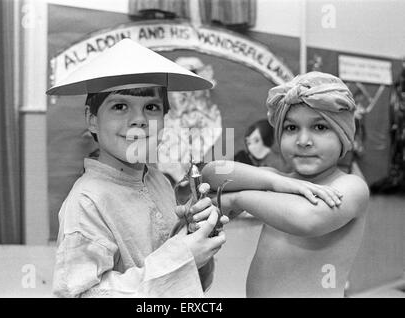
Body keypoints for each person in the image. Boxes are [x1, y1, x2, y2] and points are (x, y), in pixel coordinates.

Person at [47, 39, 228, 297]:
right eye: (120, 106)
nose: (139, 120)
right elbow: (79, 294)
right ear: (92, 119)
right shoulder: (87, 203)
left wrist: (193, 236)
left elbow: (185, 283)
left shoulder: (158, 181)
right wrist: (183, 256)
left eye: (151, 107)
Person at [202, 72, 369, 297]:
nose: (303, 141)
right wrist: (273, 180)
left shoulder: (351, 186)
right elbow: (212, 172)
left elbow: (307, 220)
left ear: (344, 135)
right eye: (291, 128)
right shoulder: (277, 180)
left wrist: (236, 198)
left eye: (320, 127)